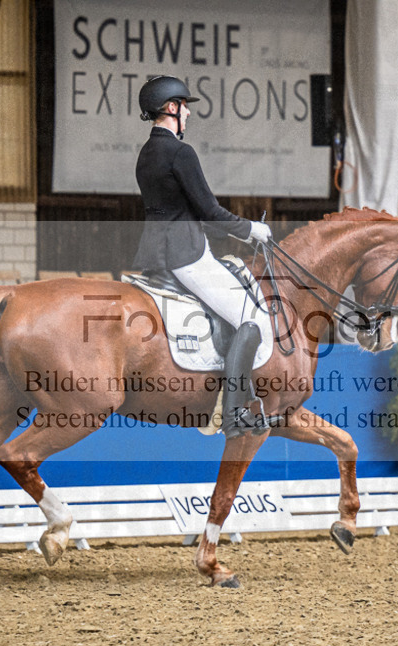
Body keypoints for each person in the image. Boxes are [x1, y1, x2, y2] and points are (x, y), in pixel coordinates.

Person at [133, 75, 273, 439]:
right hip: (185, 255)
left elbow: (180, 209)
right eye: (185, 105)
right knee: (252, 317)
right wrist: (249, 230)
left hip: (156, 253)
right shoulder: (181, 152)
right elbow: (209, 210)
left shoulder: (147, 153)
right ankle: (233, 413)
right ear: (171, 108)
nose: (190, 112)